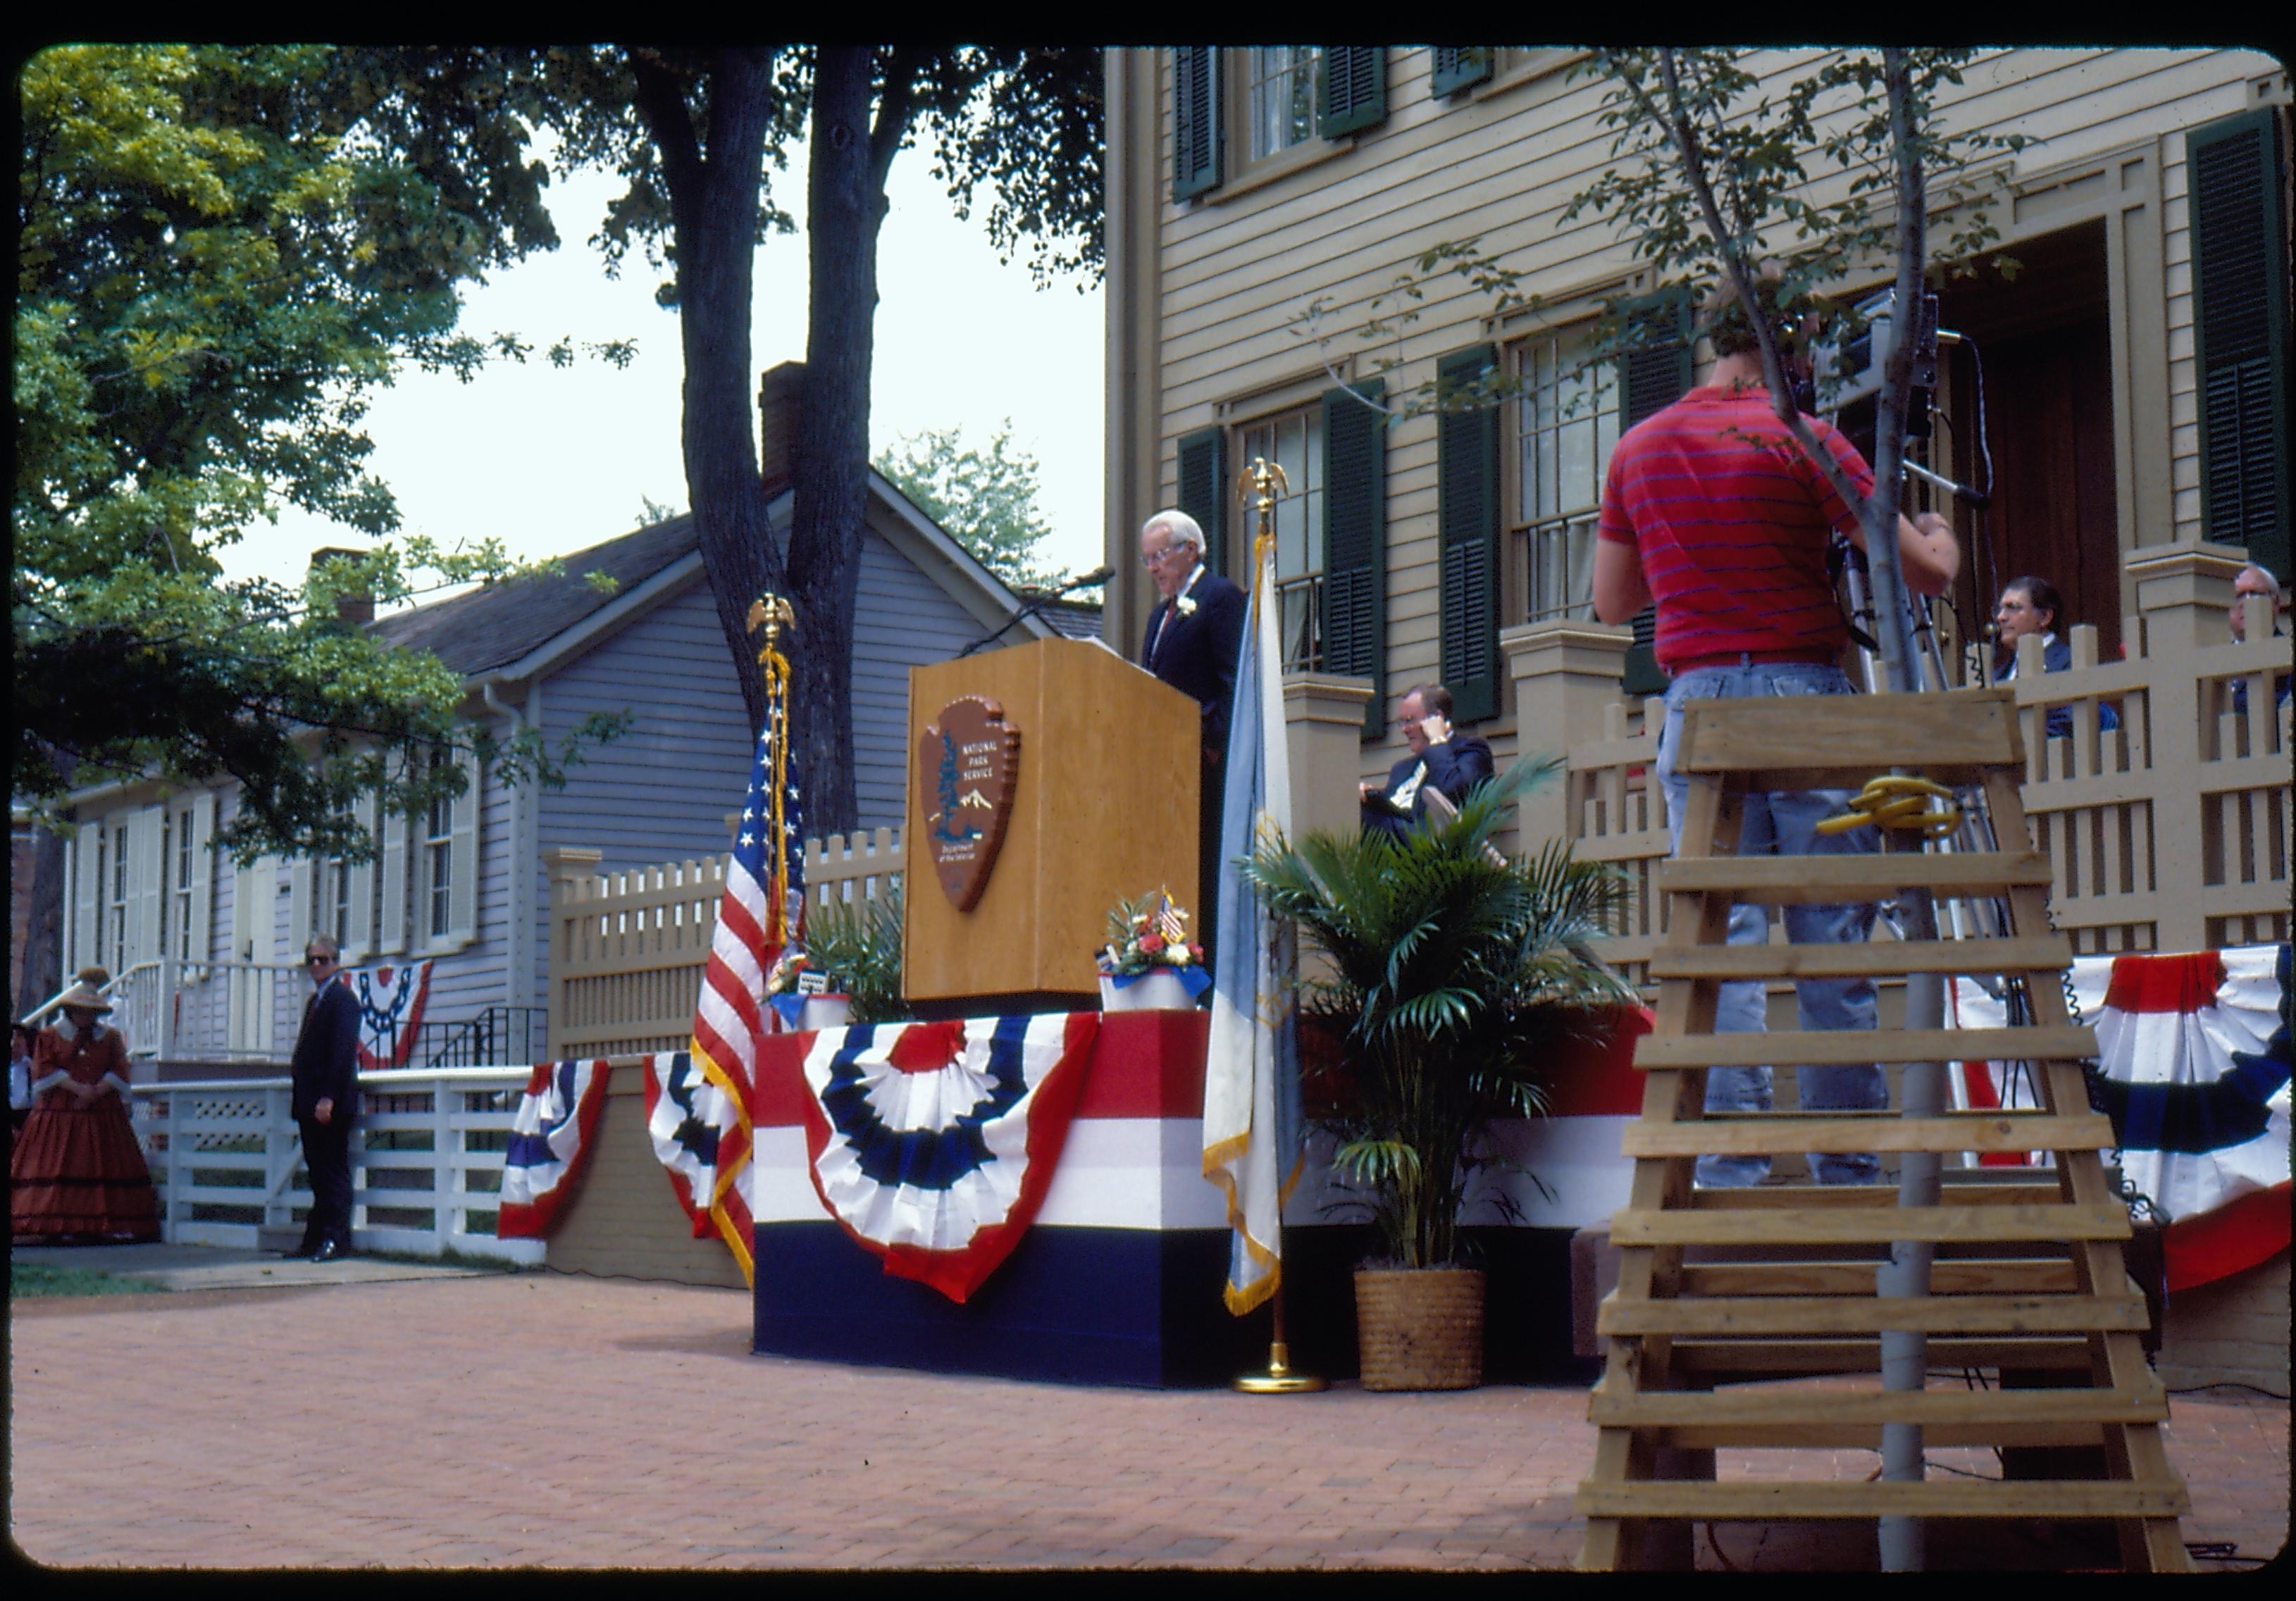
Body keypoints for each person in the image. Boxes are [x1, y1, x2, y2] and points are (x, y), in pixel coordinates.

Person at [1592, 270, 1962, 1188]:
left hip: (1695, 703)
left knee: (1724, 939)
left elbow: (1610, 602)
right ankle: (1844, 1158)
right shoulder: (1804, 438)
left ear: (1706, 342)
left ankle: (1731, 1163)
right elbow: (1919, 573)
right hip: (1801, 694)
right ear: (1787, 346)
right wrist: (1938, 534)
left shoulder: (1636, 448)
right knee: (1830, 929)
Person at [1138, 509, 1248, 954]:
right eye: (1147, 560)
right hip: (1165, 767)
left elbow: (1233, 679)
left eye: (1160, 556)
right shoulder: (1157, 618)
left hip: (1204, 765)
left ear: (1190, 549)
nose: (1153, 569)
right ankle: (1169, 951)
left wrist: (1214, 747)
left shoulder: (1219, 597)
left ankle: (1206, 966)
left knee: (1203, 869)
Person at [9, 968, 161, 1243]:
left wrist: (97, 1090)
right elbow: (44, 1071)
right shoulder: (50, 1037)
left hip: (102, 1111)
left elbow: (119, 1068)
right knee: (55, 1163)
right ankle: (53, 1223)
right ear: (70, 1010)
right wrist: (76, 1087)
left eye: (91, 1012)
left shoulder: (110, 1038)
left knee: (104, 1164)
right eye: (82, 1011)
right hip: (59, 1112)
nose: (87, 1018)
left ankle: (102, 1224)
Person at [289, 933, 362, 1262]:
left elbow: (342, 1052)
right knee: (317, 1173)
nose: (317, 965)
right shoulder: (315, 1001)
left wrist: (328, 1097)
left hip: (328, 1103)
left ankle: (337, 1239)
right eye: (312, 960)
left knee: (333, 1172)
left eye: (324, 959)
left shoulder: (343, 1000)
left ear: (337, 962)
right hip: (308, 1100)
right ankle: (314, 1238)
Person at [1360, 684, 1495, 841]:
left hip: (1434, 848)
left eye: (1410, 721)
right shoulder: (1401, 769)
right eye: (1401, 722)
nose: (1404, 729)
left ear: (1436, 718)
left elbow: (1453, 792)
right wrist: (1367, 795)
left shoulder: (1470, 750)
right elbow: (1393, 809)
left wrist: (1437, 740)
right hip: (1394, 850)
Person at [1991, 575, 2116, 739]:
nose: (2001, 617)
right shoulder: (1998, 675)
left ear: (2045, 617)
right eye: (1998, 610)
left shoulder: (2071, 662)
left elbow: (2070, 723)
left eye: (2013, 607)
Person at [2227, 562, 2291, 715]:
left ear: (2276, 603)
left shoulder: (2287, 653)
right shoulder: (2215, 659)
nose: (2247, 602)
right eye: (2239, 596)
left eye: (2256, 594)